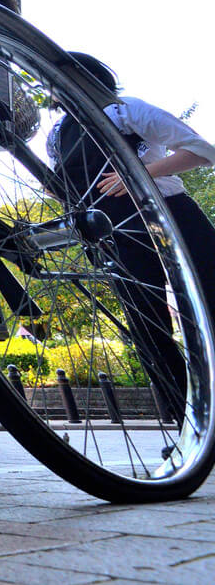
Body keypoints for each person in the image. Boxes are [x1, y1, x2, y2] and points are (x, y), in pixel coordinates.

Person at [47, 52, 215, 421]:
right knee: (147, 326)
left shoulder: (126, 110)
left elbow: (202, 151)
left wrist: (136, 173)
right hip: (114, 230)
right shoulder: (56, 134)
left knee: (206, 305)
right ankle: (190, 425)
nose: (54, 88)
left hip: (170, 213)